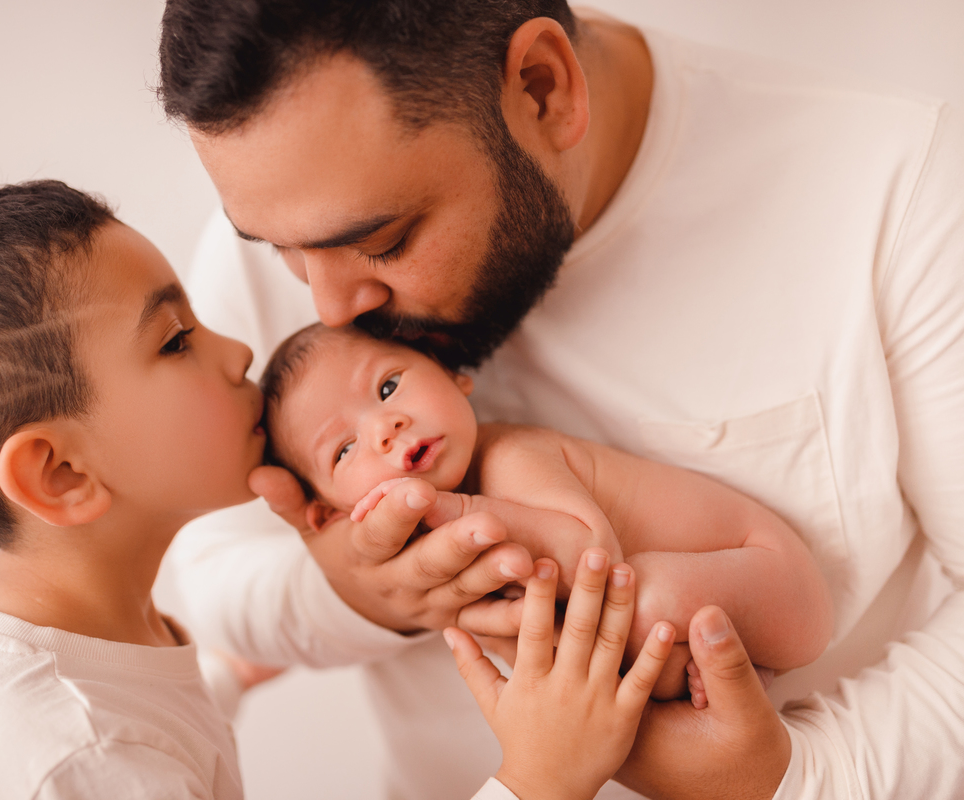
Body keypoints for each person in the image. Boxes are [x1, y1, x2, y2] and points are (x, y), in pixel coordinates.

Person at [156, 1, 964, 798]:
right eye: (281, 253)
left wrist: (802, 777)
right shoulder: (299, 200)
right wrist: (360, 596)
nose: (327, 306)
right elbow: (211, 580)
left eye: (386, 242)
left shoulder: (900, 184)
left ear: (543, 89)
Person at [0, 179, 685, 800]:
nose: (236, 352)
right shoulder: (83, 762)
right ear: (62, 474)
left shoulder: (105, 652)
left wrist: (229, 679)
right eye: (175, 341)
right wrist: (540, 779)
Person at [261, 322, 831, 701]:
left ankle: (723, 660)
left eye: (388, 388)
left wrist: (462, 509)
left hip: (772, 573)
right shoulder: (425, 564)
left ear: (450, 370)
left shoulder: (509, 456)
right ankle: (725, 670)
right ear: (332, 514)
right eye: (344, 450)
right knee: (597, 654)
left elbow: (593, 556)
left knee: (639, 600)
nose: (385, 428)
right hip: (725, 617)